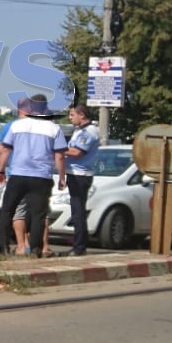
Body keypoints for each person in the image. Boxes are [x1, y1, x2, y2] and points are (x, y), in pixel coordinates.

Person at [0, 93, 67, 258]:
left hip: (18, 174)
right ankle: (35, 249)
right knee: (38, 215)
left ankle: (2, 248)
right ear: (46, 108)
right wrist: (62, 178)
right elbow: (60, 156)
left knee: (8, 210)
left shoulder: (17, 126)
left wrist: (0, 171)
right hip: (41, 177)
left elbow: (5, 150)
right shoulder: (54, 128)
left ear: (31, 108)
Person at [63, 103, 101, 256]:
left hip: (80, 175)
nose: (70, 118)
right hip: (74, 174)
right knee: (76, 210)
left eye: (72, 115)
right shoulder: (79, 130)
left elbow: (77, 152)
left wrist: (57, 149)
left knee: (78, 212)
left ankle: (79, 247)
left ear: (82, 115)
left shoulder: (89, 132)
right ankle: (78, 244)